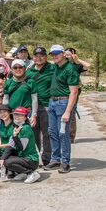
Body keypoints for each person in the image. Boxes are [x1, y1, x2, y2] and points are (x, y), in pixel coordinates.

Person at [45, 45, 80, 173]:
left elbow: (74, 92)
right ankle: (55, 159)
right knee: (52, 132)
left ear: (63, 54)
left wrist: (68, 111)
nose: (54, 56)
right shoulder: (55, 67)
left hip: (63, 102)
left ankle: (65, 162)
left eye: (57, 53)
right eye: (53, 54)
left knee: (63, 133)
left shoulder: (70, 69)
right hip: (52, 102)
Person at [26, 46, 54, 166]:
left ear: (45, 57)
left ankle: (47, 158)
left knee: (47, 133)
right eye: (36, 56)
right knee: (33, 133)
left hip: (46, 105)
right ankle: (36, 156)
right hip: (32, 107)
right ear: (33, 57)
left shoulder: (52, 68)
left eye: (41, 55)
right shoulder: (29, 71)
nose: (39, 58)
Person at [1, 107, 41, 184]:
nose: (16, 117)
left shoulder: (26, 128)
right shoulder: (17, 127)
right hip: (23, 157)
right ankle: (23, 173)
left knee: (7, 162)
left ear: (25, 117)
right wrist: (2, 158)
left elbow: (21, 147)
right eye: (15, 114)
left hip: (31, 159)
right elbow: (11, 145)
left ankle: (31, 173)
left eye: (20, 115)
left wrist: (15, 136)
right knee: (3, 159)